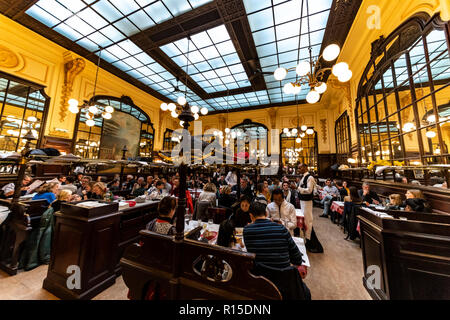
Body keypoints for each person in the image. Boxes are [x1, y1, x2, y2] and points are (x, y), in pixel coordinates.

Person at [244, 201, 304, 268]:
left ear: (251, 216)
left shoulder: (247, 230)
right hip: (283, 274)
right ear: (266, 214)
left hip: (260, 275)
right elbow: (298, 259)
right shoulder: (282, 228)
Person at [297, 164, 322, 253]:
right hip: (302, 202)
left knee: (308, 222)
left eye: (300, 168)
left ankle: (316, 246)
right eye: (298, 168)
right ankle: (309, 242)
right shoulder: (303, 177)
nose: (298, 169)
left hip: (307, 203)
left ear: (305, 168)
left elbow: (309, 190)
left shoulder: (310, 177)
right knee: (305, 222)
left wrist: (298, 188)